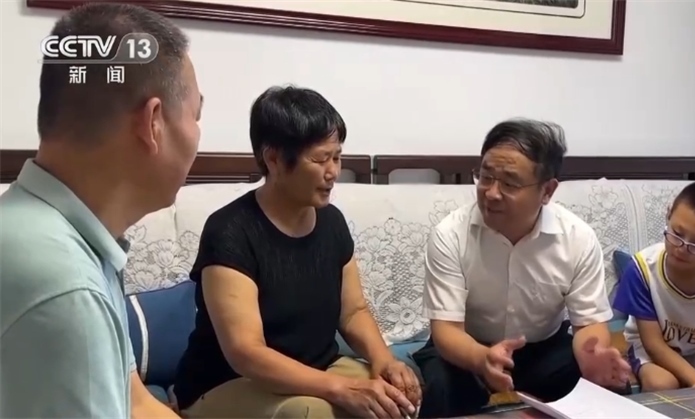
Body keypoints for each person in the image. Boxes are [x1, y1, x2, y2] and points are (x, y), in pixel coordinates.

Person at [0, 3, 202, 418]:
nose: (198, 134)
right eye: (196, 115)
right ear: (154, 123)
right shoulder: (64, 287)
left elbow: (135, 401)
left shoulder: (69, 237)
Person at [173, 86, 422, 419]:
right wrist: (339, 388)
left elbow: (353, 312)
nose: (333, 171)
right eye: (319, 159)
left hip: (319, 370)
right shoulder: (230, 231)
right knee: (312, 413)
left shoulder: (332, 222)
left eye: (337, 157)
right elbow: (246, 352)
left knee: (398, 396)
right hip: (231, 382)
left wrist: (384, 361)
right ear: (273, 159)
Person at [414, 119, 631, 418]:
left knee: (604, 386)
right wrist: (482, 359)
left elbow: (589, 324)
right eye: (486, 177)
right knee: (442, 387)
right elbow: (446, 330)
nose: (491, 193)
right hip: (467, 348)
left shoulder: (577, 238)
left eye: (510, 183)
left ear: (547, 190)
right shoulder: (450, 234)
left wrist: (592, 358)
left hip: (543, 349)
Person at [612, 180, 695, 391]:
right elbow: (654, 344)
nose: (682, 249)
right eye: (677, 233)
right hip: (652, 350)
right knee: (662, 383)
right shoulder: (642, 268)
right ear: (669, 214)